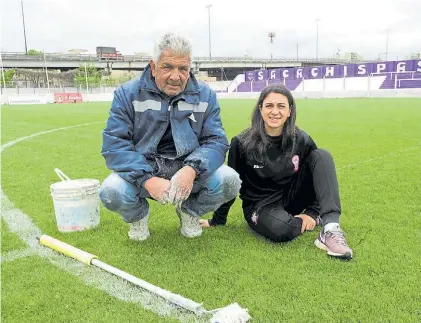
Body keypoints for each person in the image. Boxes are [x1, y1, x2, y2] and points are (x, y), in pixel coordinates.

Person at [99, 33, 241, 241]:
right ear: (153, 66)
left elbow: (216, 141)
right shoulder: (128, 94)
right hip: (145, 167)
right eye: (167, 67)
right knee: (111, 191)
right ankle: (138, 216)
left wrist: (191, 169)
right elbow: (115, 145)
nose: (176, 76)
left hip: (187, 169)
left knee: (230, 181)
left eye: (183, 69)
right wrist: (146, 179)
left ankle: (189, 212)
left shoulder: (205, 95)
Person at [200, 84, 353, 260]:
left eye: (281, 106)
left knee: (322, 155)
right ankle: (301, 222)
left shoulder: (301, 139)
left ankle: (331, 228)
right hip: (260, 206)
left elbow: (317, 176)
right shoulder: (242, 143)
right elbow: (231, 184)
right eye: (269, 106)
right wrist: (217, 220)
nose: (275, 112)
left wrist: (311, 211)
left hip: (292, 199)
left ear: (289, 111)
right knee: (280, 229)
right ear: (260, 109)